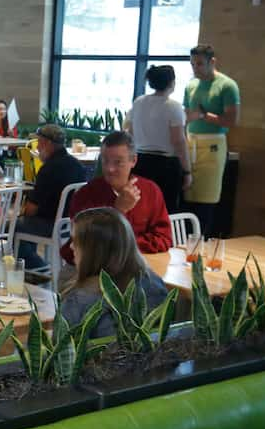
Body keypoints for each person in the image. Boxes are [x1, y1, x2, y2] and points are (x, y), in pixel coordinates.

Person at [61, 131, 172, 264]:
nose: (110, 169)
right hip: (93, 270)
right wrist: (117, 211)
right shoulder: (86, 194)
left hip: (140, 266)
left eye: (118, 162)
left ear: (133, 161)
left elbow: (164, 238)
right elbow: (85, 243)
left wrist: (125, 247)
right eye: (105, 161)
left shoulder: (150, 191)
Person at [61, 207, 168, 338]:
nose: (71, 246)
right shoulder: (154, 283)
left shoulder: (79, 300)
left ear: (94, 251)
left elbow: (61, 351)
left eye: (75, 241)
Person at [183, 44, 241, 235]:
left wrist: (204, 116)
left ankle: (202, 243)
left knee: (206, 199)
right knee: (186, 196)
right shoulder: (191, 85)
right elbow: (185, 115)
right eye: (192, 64)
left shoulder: (227, 85)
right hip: (190, 142)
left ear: (212, 62)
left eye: (199, 64)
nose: (195, 68)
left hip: (213, 144)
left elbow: (232, 120)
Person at [16, 124, 86, 269]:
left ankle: (35, 266)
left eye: (39, 143)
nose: (37, 148)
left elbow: (31, 209)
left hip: (50, 224)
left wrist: (20, 212)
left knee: (14, 225)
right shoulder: (77, 166)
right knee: (26, 222)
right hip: (70, 223)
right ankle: (32, 266)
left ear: (47, 143)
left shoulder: (48, 169)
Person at [124, 65, 191, 214]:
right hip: (165, 165)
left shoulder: (139, 102)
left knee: (140, 208)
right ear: (172, 83)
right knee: (165, 210)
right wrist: (187, 171)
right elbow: (178, 141)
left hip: (140, 161)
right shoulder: (173, 107)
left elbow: (130, 132)